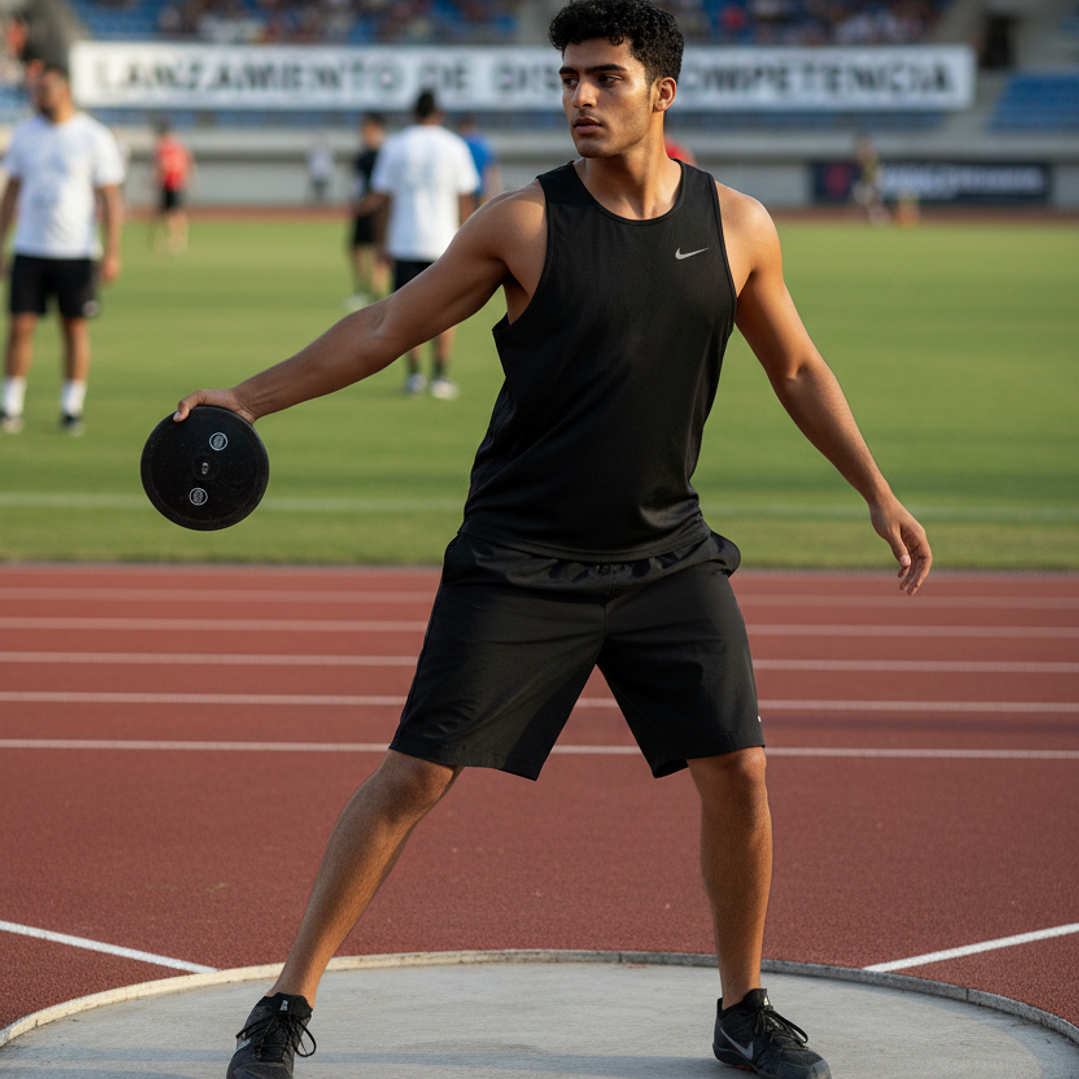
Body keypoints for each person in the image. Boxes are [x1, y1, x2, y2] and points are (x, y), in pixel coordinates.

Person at [174, 2, 932, 1077]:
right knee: (412, 776)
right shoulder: (520, 222)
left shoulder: (739, 225)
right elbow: (389, 326)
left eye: (603, 78)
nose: (578, 96)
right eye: (567, 78)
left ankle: (742, 1006)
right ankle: (283, 1005)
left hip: (666, 552)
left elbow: (797, 368)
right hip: (519, 558)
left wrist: (875, 489)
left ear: (660, 91)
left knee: (741, 767)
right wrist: (244, 399)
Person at [0, 61, 124, 435]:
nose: (38, 97)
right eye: (36, 91)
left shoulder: (92, 136)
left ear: (64, 91)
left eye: (45, 90)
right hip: (30, 247)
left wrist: (113, 251)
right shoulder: (24, 134)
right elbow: (12, 190)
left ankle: (71, 406)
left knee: (74, 329)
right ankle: (10, 406)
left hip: (76, 250)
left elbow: (112, 198)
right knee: (20, 326)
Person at [367, 89, 478, 398]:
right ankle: (441, 376)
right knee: (446, 312)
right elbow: (465, 199)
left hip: (404, 240)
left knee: (406, 314)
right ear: (439, 114)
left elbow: (383, 199)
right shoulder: (455, 146)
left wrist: (380, 242)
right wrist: (469, 240)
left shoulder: (395, 145)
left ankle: (414, 377)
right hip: (445, 243)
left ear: (412, 114)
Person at [345, 113, 389, 310]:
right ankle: (362, 289)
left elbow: (387, 185)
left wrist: (373, 202)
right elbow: (355, 180)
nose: (365, 133)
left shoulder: (385, 154)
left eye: (368, 129)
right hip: (362, 206)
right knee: (355, 247)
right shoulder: (362, 155)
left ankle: (376, 293)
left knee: (379, 249)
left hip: (379, 208)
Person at [152, 122, 194, 254]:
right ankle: (179, 238)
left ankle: (173, 239)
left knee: (170, 212)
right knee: (178, 211)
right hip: (178, 182)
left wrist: (156, 180)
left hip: (169, 182)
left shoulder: (163, 148)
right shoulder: (180, 146)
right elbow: (189, 163)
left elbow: (162, 166)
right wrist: (187, 178)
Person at [457, 113, 503, 204]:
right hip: (482, 190)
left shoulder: (459, 144)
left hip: (464, 192)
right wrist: (496, 191)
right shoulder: (482, 144)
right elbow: (491, 169)